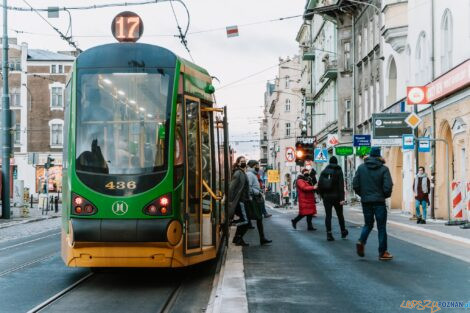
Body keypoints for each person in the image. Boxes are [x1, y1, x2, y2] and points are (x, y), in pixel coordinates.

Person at [353, 147, 394, 261]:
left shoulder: (361, 168)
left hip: (366, 201)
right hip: (379, 202)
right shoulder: (384, 169)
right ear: (379, 156)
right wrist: (384, 195)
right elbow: (388, 186)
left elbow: (355, 184)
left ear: (370, 155)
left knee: (368, 224)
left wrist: (363, 195)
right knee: (381, 227)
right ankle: (382, 252)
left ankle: (361, 241)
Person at [318, 156, 348, 241]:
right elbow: (341, 185)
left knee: (328, 216)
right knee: (340, 215)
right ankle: (343, 232)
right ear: (336, 162)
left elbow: (320, 184)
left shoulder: (324, 171)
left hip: (327, 197)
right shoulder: (338, 171)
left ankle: (329, 234)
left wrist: (322, 196)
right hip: (337, 197)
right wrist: (342, 198)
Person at [246, 160, 272, 245]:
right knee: (253, 218)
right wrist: (256, 192)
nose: (258, 167)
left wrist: (259, 191)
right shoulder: (250, 174)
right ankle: (238, 237)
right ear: (253, 166)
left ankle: (262, 238)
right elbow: (249, 187)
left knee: (258, 218)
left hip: (255, 198)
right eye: (257, 165)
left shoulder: (253, 174)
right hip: (254, 199)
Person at [228, 156, 251, 246]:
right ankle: (231, 225)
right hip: (241, 201)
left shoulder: (242, 172)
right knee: (246, 221)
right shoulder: (238, 173)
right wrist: (231, 201)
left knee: (246, 221)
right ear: (238, 163)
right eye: (242, 161)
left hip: (244, 200)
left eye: (245, 161)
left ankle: (237, 238)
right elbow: (231, 188)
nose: (243, 163)